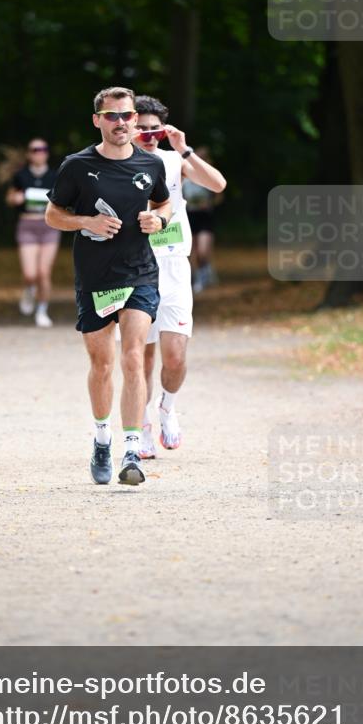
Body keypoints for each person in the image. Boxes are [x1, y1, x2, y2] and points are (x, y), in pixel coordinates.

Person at [44, 86, 171, 486]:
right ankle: (102, 438)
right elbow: (52, 214)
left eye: (127, 116)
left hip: (140, 273)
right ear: (97, 120)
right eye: (112, 116)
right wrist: (86, 222)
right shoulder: (77, 166)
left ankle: (132, 449)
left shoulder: (151, 165)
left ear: (136, 120)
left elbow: (163, 203)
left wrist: (160, 221)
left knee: (133, 356)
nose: (121, 123)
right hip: (96, 277)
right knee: (102, 365)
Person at [131, 96, 226, 457]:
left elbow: (217, 185)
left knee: (175, 356)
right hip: (136, 268)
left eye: (154, 128)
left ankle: (167, 408)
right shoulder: (118, 165)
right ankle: (140, 424)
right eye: (142, 128)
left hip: (173, 267)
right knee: (141, 355)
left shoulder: (174, 161)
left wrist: (184, 151)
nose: (148, 135)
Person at [5, 138, 60, 328]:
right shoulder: (20, 175)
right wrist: (16, 198)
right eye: (35, 149)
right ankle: (29, 289)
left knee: (43, 272)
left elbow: (64, 200)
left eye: (43, 149)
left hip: (49, 227)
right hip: (27, 226)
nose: (40, 152)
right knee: (30, 274)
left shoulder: (55, 175)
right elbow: (10, 198)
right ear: (29, 153)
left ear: (47, 153)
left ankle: (42, 311)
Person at [182, 146, 223, 293]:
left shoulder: (208, 175)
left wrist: (209, 204)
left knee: (203, 251)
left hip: (205, 217)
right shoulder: (183, 174)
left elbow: (219, 193)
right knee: (191, 252)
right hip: (189, 216)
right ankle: (198, 278)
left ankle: (204, 270)